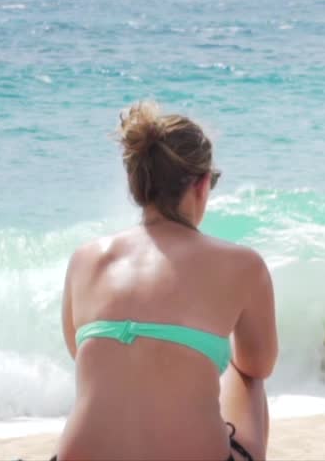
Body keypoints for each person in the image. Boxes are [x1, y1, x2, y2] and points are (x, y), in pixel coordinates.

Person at [55, 102, 278, 461]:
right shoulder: (242, 264)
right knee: (246, 372)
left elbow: (79, 355)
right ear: (202, 185)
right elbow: (260, 364)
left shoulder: (86, 259)